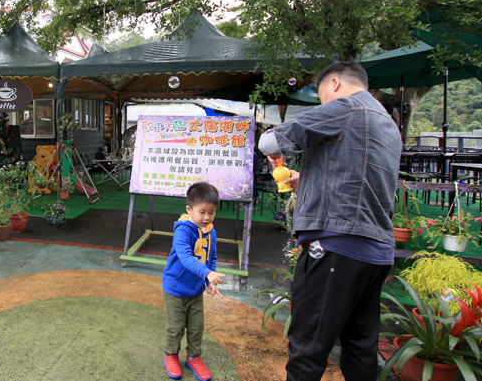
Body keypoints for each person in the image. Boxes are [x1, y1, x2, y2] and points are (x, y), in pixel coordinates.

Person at [258, 61, 402, 381]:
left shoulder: (345, 107)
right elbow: (358, 178)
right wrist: (303, 178)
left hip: (336, 246)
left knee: (308, 349)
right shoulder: (389, 124)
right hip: (376, 252)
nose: (323, 104)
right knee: (361, 349)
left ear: (334, 83)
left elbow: (269, 141)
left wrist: (274, 152)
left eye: (322, 95)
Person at [162, 182, 226, 381]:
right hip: (175, 289)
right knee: (175, 327)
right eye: (202, 212)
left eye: (212, 212)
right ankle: (171, 355)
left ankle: (193, 357)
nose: (207, 217)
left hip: (195, 290)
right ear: (189, 209)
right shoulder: (183, 230)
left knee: (197, 327)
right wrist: (207, 274)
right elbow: (185, 257)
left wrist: (210, 281)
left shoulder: (210, 231)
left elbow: (211, 257)